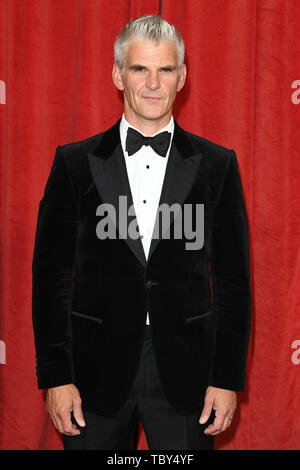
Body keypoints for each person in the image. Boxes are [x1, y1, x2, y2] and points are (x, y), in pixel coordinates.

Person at [32, 14, 251, 450]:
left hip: (188, 373)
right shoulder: (74, 164)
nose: (153, 83)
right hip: (94, 372)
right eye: (139, 69)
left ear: (182, 77)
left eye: (165, 69)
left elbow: (233, 283)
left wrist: (226, 378)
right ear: (118, 74)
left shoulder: (217, 165)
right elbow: (50, 278)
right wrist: (57, 376)